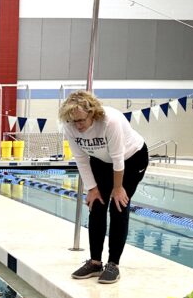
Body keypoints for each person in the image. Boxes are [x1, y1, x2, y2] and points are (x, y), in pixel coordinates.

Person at [59, 90, 149, 284]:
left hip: (131, 159)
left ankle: (113, 264)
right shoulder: (70, 127)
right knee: (97, 206)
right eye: (74, 121)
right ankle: (95, 262)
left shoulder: (111, 121)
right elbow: (81, 160)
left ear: (92, 113)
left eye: (81, 120)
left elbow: (118, 159)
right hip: (101, 160)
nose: (78, 126)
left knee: (118, 206)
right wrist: (92, 189)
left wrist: (118, 188)